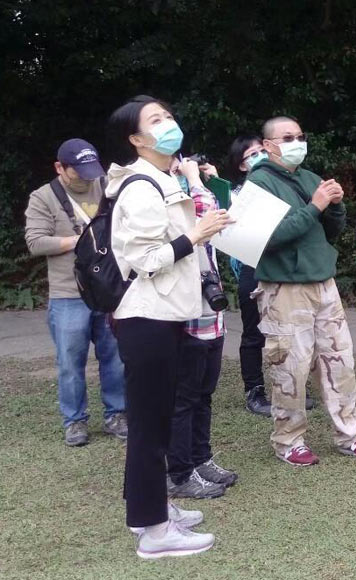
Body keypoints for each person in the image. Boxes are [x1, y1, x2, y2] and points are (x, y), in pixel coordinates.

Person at [105, 95, 231, 558]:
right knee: (148, 426)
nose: (169, 124)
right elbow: (143, 259)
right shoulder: (141, 186)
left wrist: (204, 229)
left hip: (165, 315)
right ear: (136, 139)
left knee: (154, 422)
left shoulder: (163, 178)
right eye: (156, 120)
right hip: (146, 318)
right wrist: (194, 235)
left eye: (170, 115)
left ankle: (150, 510)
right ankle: (155, 532)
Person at [248, 115, 356, 465]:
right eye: (287, 137)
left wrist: (334, 206)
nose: (296, 142)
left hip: (324, 282)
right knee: (290, 366)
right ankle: (289, 440)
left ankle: (350, 434)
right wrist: (315, 205)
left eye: (300, 135)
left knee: (340, 360)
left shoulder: (309, 178)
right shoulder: (258, 183)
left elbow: (329, 232)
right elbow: (271, 238)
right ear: (267, 146)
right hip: (284, 289)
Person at [24, 139, 127, 446]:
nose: (87, 177)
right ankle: (75, 421)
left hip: (109, 289)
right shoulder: (42, 197)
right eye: (79, 171)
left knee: (116, 357)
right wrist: (81, 239)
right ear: (60, 168)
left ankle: (117, 414)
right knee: (71, 362)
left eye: (91, 170)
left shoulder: (106, 185)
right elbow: (36, 242)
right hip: (68, 294)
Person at [165, 159, 239, 499]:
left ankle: (201, 459)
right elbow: (204, 212)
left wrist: (212, 180)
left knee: (204, 395)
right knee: (183, 400)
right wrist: (194, 178)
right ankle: (179, 474)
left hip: (211, 314)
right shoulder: (165, 198)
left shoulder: (197, 191)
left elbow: (230, 214)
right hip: (185, 317)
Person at [225, 136, 313, 417]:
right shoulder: (235, 195)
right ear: (241, 165)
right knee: (254, 334)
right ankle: (254, 391)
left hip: (285, 268)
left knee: (290, 331)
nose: (260, 156)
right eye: (253, 154)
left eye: (263, 151)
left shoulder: (285, 186)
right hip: (252, 269)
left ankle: (290, 388)